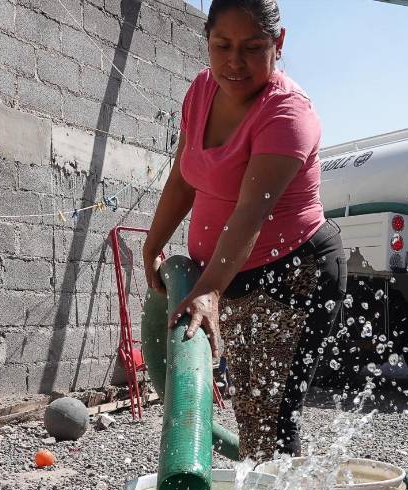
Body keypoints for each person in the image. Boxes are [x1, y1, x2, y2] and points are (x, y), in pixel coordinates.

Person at [141, 0, 346, 460]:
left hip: (294, 274)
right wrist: (152, 246)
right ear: (208, 42)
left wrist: (209, 289)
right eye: (222, 46)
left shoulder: (287, 113)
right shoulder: (201, 91)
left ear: (279, 43)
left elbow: (251, 210)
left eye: (252, 48)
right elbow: (182, 176)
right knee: (252, 414)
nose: (234, 62)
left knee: (269, 420)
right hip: (234, 275)